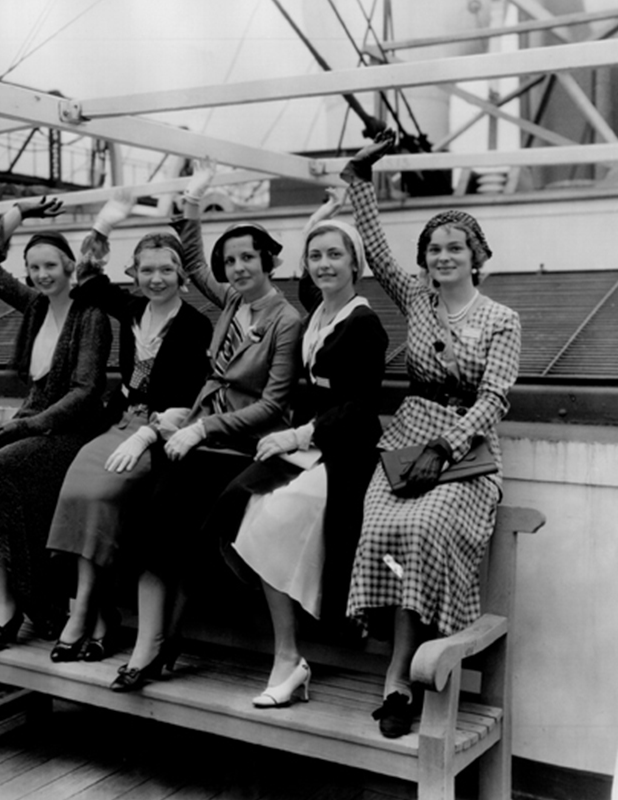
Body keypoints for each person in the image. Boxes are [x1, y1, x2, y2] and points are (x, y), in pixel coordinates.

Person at [341, 130, 521, 738]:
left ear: (477, 256)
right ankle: (402, 668)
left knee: (425, 526)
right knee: (386, 529)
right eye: (434, 249)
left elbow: (494, 398)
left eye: (455, 248)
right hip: (408, 438)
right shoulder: (415, 296)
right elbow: (373, 245)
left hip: (465, 451)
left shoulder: (502, 319)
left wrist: (447, 448)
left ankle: (415, 672)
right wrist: (360, 179)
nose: (443, 257)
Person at [109, 160, 303, 693]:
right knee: (157, 517)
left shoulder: (286, 320)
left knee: (172, 515)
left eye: (248, 258)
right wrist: (193, 201)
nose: (238, 268)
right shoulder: (233, 302)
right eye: (231, 260)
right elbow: (193, 260)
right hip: (201, 431)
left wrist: (202, 429)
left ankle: (159, 643)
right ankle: (152, 643)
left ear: (268, 262)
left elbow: (275, 405)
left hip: (242, 444)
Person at [211, 188, 388, 708]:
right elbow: (306, 283)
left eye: (335, 255)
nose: (324, 264)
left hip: (344, 452)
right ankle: (288, 656)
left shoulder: (364, 324)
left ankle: (290, 656)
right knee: (241, 507)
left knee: (275, 517)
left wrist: (298, 434)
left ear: (356, 264)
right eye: (316, 256)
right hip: (309, 448)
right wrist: (318, 219)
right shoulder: (318, 310)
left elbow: (359, 407)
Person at [45, 193, 213, 663]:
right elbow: (87, 280)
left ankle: (86, 615)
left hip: (161, 433)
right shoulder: (134, 309)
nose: (156, 278)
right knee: (77, 489)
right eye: (146, 270)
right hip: (118, 423)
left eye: (165, 269)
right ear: (134, 275)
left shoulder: (196, 325)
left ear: (181, 274)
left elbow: (190, 399)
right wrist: (102, 226)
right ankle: (91, 614)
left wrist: (148, 434)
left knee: (100, 496)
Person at [0, 196, 113, 653]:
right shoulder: (36, 305)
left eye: (50, 266)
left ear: (71, 265)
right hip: (30, 421)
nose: (41, 275)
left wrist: (27, 428)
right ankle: (6, 595)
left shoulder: (90, 314)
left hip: (69, 430)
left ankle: (10, 603)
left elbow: (85, 392)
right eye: (33, 267)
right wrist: (20, 212)